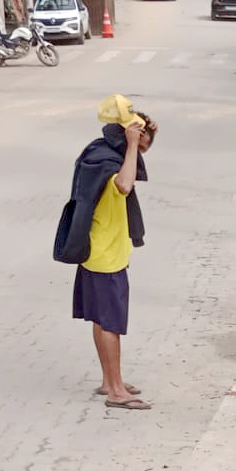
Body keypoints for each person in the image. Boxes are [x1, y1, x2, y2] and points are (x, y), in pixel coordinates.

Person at [56, 94, 157, 411]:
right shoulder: (105, 161)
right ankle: (116, 391)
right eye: (134, 133)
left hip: (104, 251)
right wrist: (130, 144)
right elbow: (125, 184)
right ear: (123, 131)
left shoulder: (100, 150)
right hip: (104, 255)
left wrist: (139, 138)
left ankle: (109, 380)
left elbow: (136, 160)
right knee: (110, 323)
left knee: (102, 320)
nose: (139, 144)